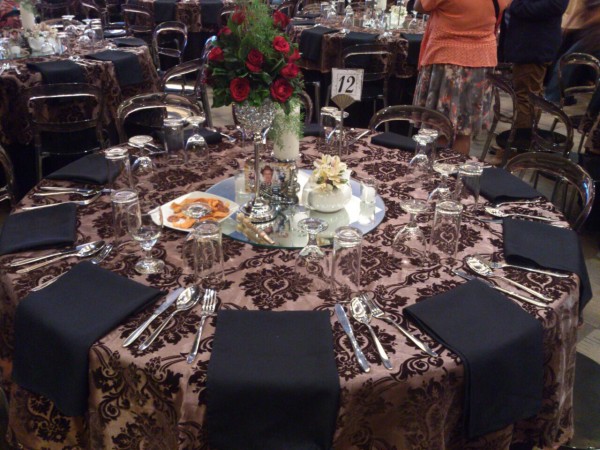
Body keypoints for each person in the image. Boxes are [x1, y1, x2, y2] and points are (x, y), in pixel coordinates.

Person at [413, 0, 510, 155]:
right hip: (481, 61)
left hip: (446, 58)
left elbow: (419, 6)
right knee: (464, 132)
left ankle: (434, 169)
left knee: (439, 129)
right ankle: (455, 170)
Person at [503, 0, 569, 131]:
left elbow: (555, 6)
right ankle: (527, 135)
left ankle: (522, 138)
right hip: (530, 44)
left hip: (533, 46)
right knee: (530, 94)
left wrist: (515, 5)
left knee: (526, 97)